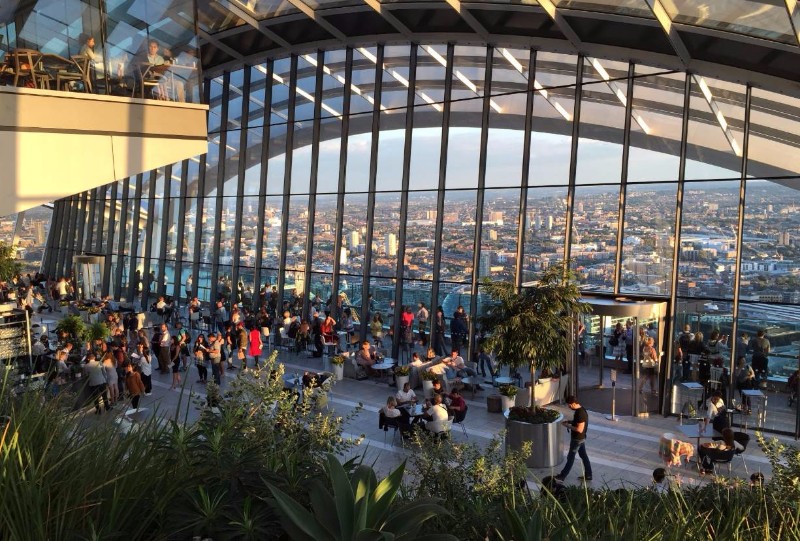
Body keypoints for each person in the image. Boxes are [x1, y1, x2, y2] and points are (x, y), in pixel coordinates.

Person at [555, 395, 593, 482]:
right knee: (583, 456)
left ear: (572, 404)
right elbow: (578, 423)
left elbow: (579, 429)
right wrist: (570, 422)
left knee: (570, 457)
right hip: (581, 439)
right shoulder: (581, 410)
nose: (568, 406)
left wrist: (567, 425)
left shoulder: (580, 413)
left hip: (577, 440)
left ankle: (562, 476)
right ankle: (589, 475)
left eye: (569, 405)